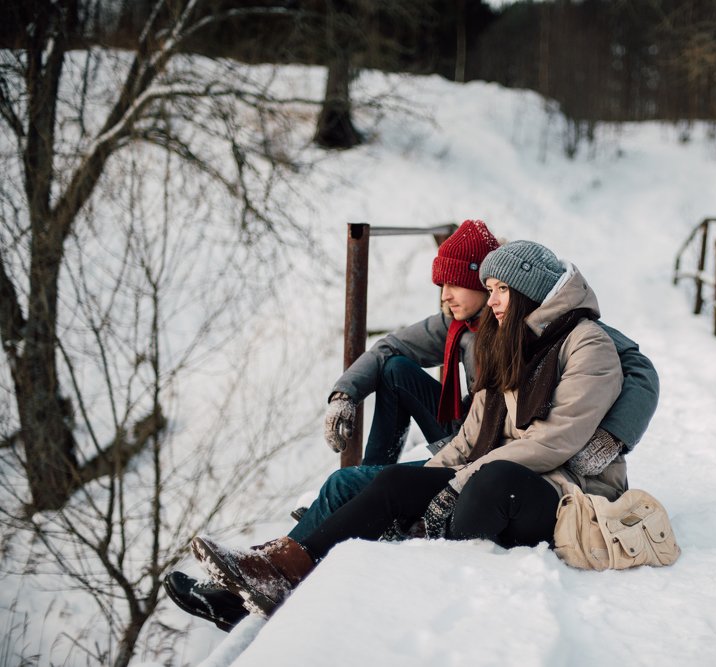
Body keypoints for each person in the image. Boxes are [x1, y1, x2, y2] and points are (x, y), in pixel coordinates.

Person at [164, 221, 659, 628]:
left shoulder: (585, 339)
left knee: (479, 481)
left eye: (499, 290)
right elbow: (463, 425)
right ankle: (274, 572)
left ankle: (302, 575)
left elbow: (584, 416)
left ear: (527, 291)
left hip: (559, 484)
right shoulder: (502, 339)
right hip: (496, 465)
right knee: (384, 483)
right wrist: (412, 470)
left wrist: (615, 434)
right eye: (489, 290)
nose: (483, 300)